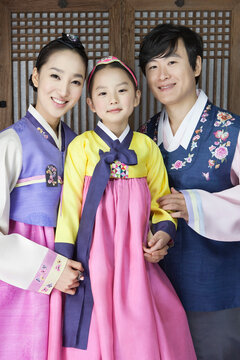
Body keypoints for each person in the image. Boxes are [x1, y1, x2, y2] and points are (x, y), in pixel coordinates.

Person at [54, 56, 196, 360]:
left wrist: (162, 233)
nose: (113, 99)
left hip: (136, 258)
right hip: (95, 258)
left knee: (146, 326)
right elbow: (68, 208)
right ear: (91, 104)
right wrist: (65, 259)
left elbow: (161, 202)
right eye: (103, 93)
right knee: (97, 326)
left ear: (137, 97)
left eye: (121, 90)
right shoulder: (81, 147)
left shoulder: (146, 148)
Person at [139, 23, 240, 360]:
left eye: (171, 62)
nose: (162, 75)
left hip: (216, 291)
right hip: (153, 288)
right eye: (152, 66)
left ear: (196, 66)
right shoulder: (143, 137)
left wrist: (194, 203)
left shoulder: (233, 131)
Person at [0, 33, 88, 360]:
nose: (63, 91)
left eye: (75, 81)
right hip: (23, 285)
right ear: (36, 76)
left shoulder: (81, 147)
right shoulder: (10, 143)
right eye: (55, 76)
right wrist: (51, 271)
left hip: (77, 280)